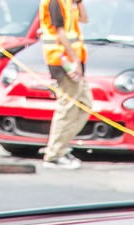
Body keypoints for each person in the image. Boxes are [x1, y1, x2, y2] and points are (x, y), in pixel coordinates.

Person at [38, 0, 89, 169]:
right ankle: (54, 154)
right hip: (62, 59)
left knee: (85, 104)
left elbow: (84, 19)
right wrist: (74, 60)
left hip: (74, 59)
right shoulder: (54, 2)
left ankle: (60, 146)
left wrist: (79, 3)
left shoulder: (69, 3)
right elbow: (59, 32)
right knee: (67, 107)